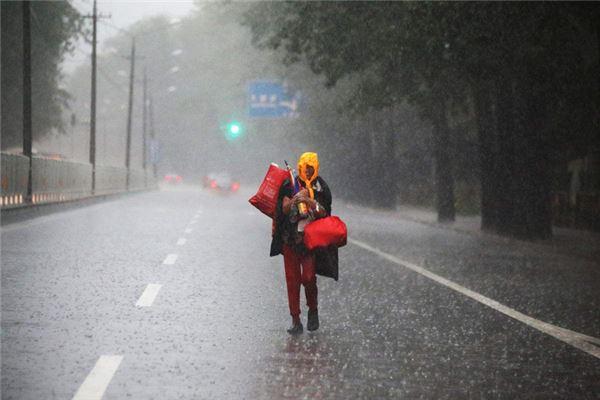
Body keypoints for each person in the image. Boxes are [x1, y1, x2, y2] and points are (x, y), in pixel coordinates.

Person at [270, 152, 332, 334]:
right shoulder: (290, 184)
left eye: (311, 168)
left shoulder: (321, 187)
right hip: (290, 240)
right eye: (305, 168)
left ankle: (313, 310)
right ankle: (295, 320)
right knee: (293, 280)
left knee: (309, 278)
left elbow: (324, 213)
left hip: (310, 242)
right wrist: (295, 199)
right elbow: (283, 208)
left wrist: (309, 200)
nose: (307, 171)